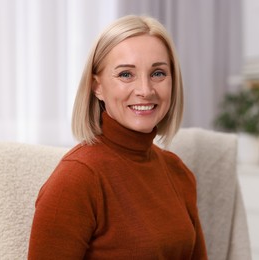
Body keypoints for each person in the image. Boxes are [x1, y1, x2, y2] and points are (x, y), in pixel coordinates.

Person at [28, 15, 208, 259]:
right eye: (126, 74)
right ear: (97, 86)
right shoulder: (76, 178)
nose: (145, 90)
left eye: (158, 73)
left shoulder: (178, 172)